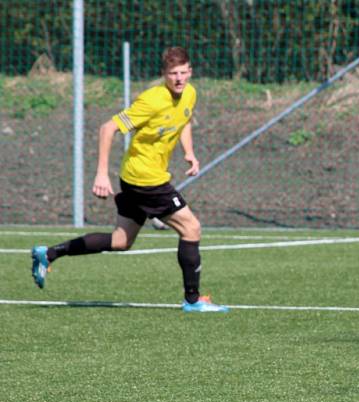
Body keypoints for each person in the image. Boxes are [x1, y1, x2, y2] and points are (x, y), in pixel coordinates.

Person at [31, 46, 228, 313]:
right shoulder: (151, 100)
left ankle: (50, 253)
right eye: (173, 74)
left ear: (190, 71)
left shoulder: (189, 94)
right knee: (191, 228)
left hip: (136, 179)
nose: (179, 79)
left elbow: (185, 121)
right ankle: (192, 300)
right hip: (147, 180)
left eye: (183, 72)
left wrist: (189, 153)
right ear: (164, 75)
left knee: (120, 241)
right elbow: (107, 128)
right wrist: (101, 173)